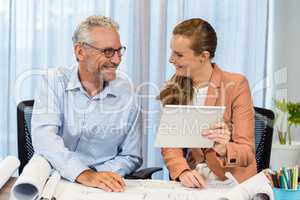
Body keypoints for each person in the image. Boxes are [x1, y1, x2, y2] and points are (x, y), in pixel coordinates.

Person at [31, 16, 142, 192]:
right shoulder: (53, 82)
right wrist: (83, 174)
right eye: (107, 51)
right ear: (80, 52)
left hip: (104, 185)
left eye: (119, 51)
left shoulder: (128, 93)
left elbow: (131, 156)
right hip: (55, 182)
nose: (116, 60)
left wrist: (97, 175)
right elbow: (44, 139)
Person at [158, 18, 257, 188]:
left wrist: (224, 148)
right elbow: (170, 145)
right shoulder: (174, 88)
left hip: (232, 181)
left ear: (204, 56)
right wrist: (183, 171)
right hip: (195, 181)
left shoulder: (236, 84)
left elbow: (247, 152)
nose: (171, 59)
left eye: (179, 54)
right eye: (172, 52)